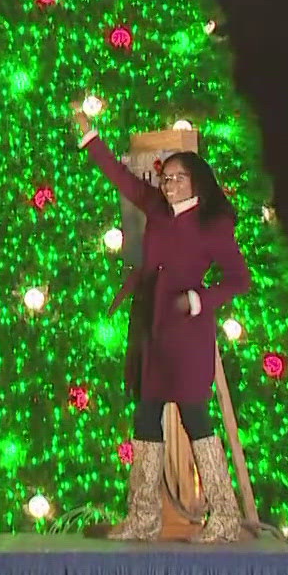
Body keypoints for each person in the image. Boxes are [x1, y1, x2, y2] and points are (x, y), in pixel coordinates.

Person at [73, 106, 251, 542]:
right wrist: (90, 136)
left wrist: (199, 299)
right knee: (146, 417)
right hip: (152, 331)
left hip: (187, 337)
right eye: (166, 178)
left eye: (178, 179)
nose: (169, 185)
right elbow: (120, 177)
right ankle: (143, 517)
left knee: (196, 419)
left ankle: (225, 518)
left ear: (197, 183)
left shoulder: (213, 225)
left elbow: (239, 279)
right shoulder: (155, 208)